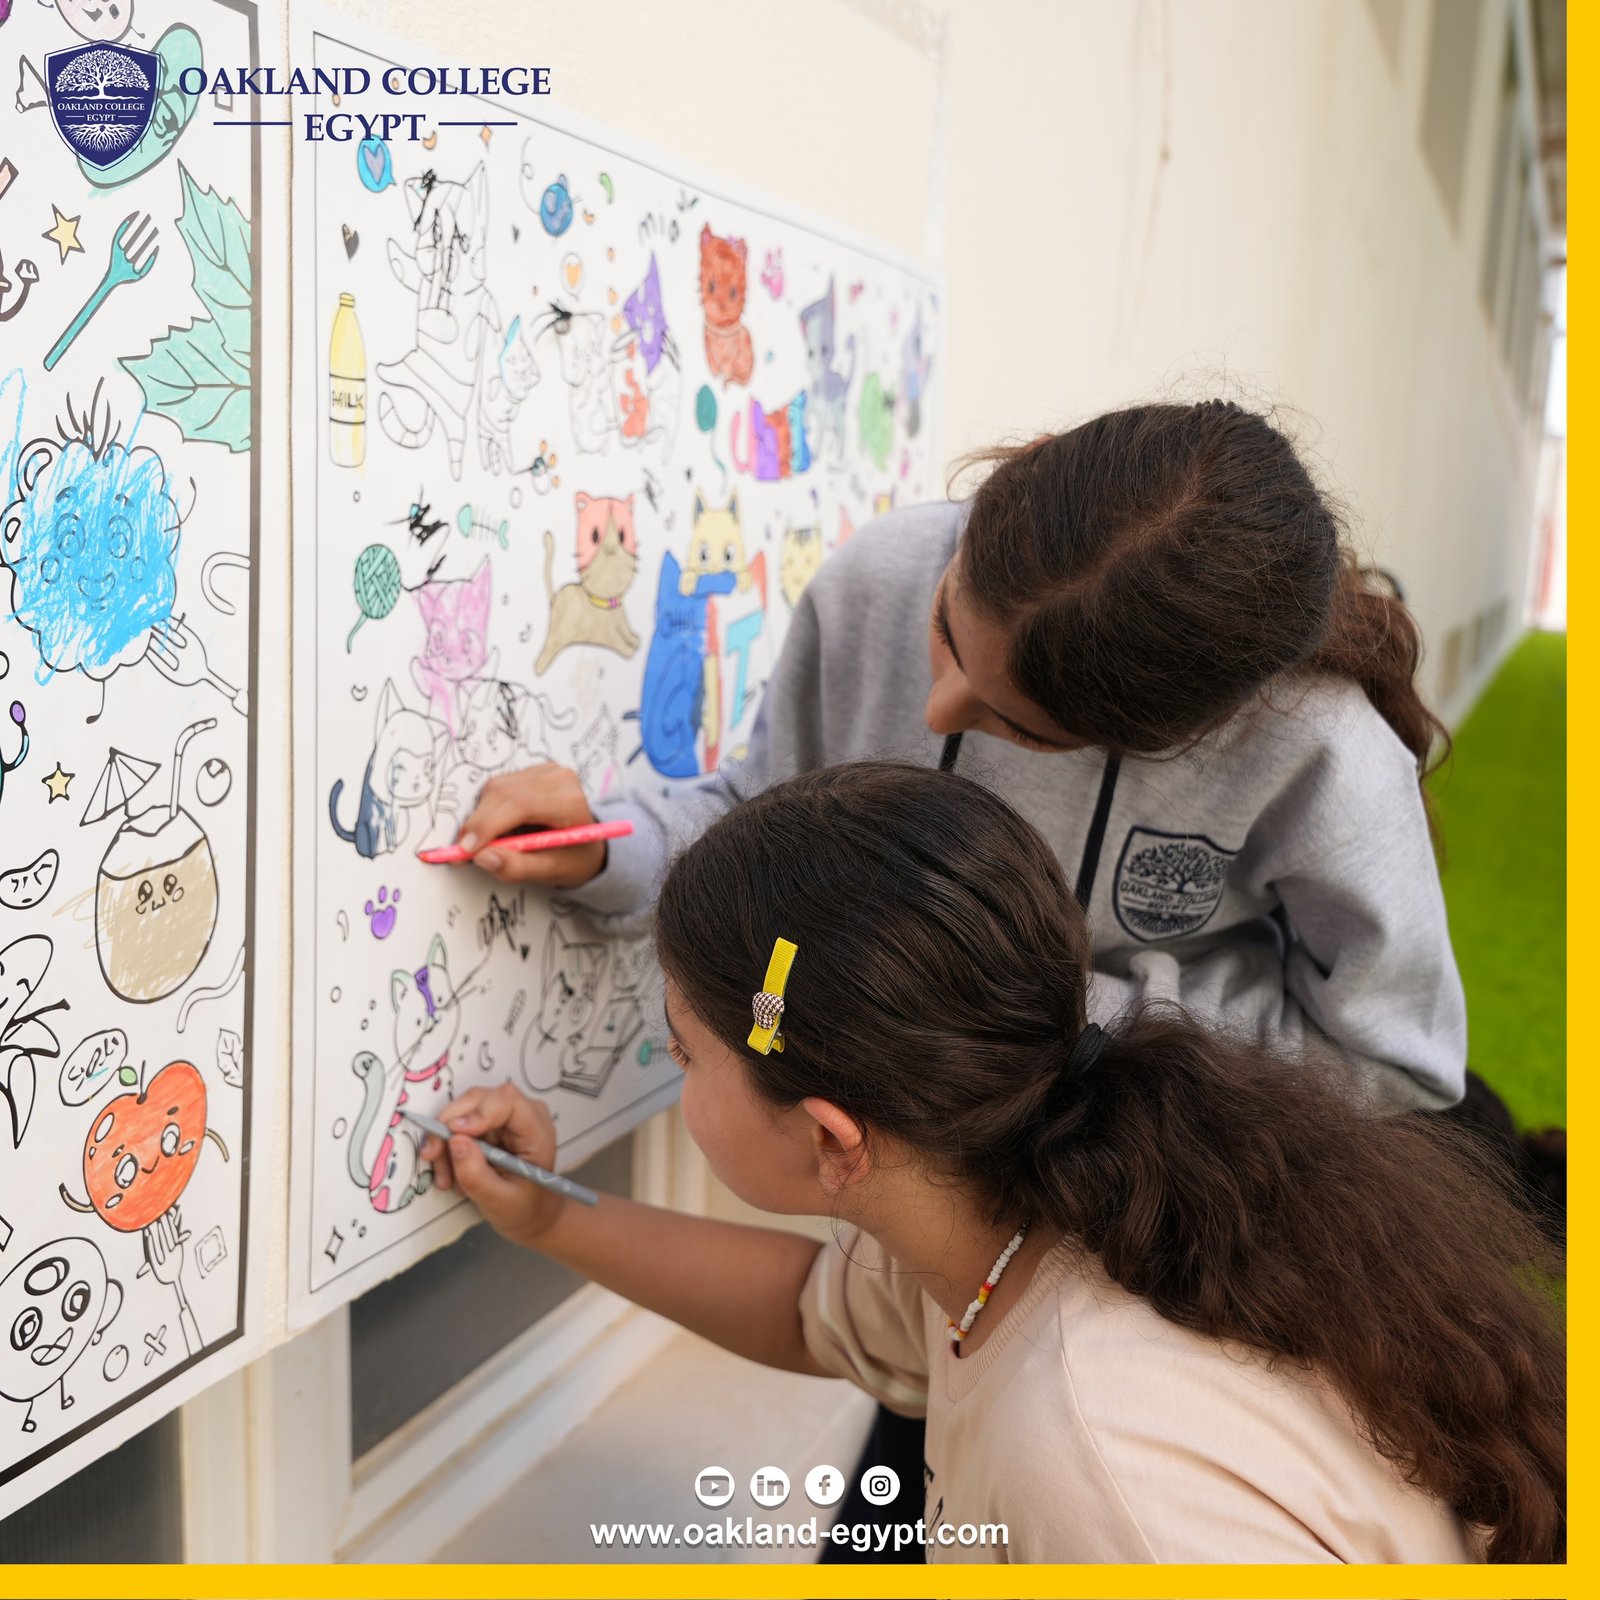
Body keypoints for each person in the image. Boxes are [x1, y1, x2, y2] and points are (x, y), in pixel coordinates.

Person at [422, 764, 1563, 1564]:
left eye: (683, 1051)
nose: (674, 1072)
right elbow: (816, 1310)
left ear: (831, 1139)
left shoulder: (1097, 1470)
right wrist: (548, 1216)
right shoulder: (1021, 1197)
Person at [459, 401, 1465, 1113]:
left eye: (1019, 727)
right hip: (902, 1183)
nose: (932, 707)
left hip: (1145, 1189)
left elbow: (1396, 1065)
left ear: (1172, 737)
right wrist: (607, 849)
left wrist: (1053, 1015)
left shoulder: (1317, 745)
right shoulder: (879, 573)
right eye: (945, 625)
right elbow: (762, 819)